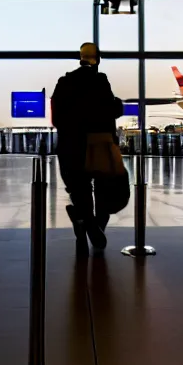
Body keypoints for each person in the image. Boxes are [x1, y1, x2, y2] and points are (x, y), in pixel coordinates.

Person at [51, 42, 123, 252]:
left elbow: (57, 118)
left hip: (70, 147)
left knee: (79, 191)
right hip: (97, 144)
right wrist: (117, 105)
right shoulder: (99, 80)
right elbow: (109, 110)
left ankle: (83, 229)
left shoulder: (63, 82)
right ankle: (94, 228)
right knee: (103, 193)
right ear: (97, 59)